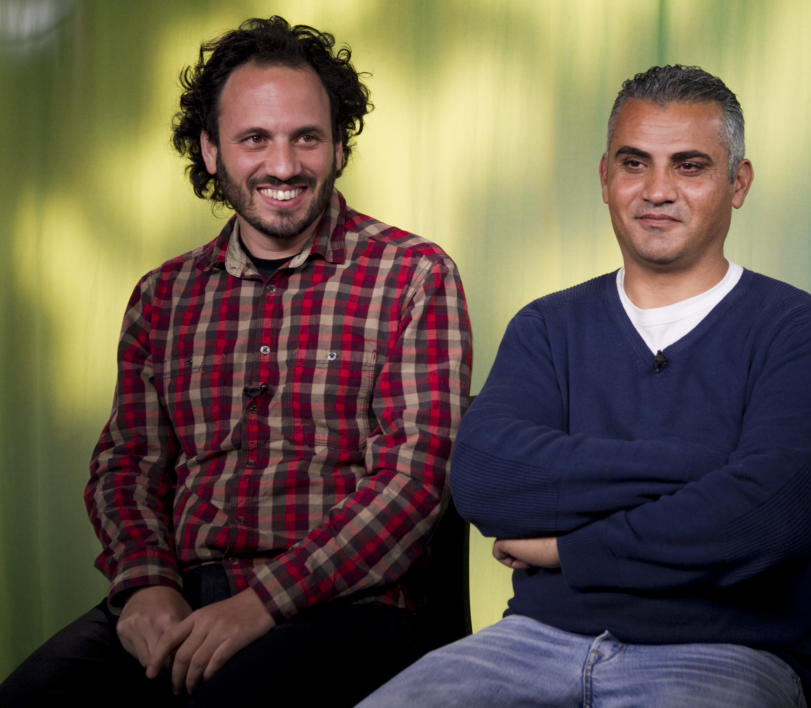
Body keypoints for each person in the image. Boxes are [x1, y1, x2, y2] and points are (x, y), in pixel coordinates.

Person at [0, 15, 471, 707]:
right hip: (181, 595)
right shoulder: (162, 297)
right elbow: (127, 464)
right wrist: (146, 583)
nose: (284, 165)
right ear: (211, 150)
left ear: (339, 146)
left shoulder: (413, 276)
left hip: (347, 607)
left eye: (306, 136)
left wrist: (262, 604)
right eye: (255, 138)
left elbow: (415, 485)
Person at [358, 65, 811, 707]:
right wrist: (711, 469)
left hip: (726, 653)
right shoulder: (547, 327)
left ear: (738, 183)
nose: (657, 190)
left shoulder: (801, 332)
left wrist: (568, 549)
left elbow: (771, 518)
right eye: (634, 163)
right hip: (533, 641)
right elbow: (484, 478)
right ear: (604, 178)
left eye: (690, 166)